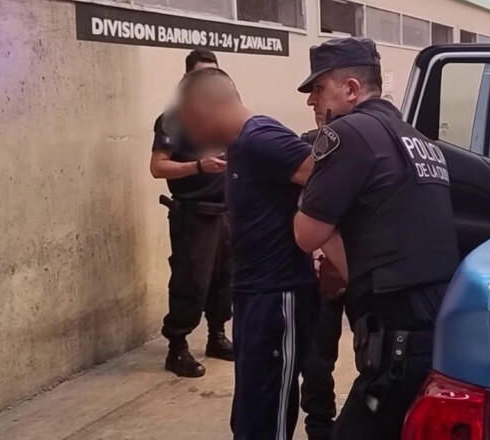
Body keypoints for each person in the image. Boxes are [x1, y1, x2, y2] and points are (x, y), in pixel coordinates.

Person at [293, 37, 461, 439]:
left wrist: (305, 197)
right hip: (438, 322)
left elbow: (306, 233)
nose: (312, 100)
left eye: (319, 88)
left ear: (351, 89)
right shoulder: (419, 141)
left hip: (398, 335)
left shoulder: (348, 132)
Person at [175, 67, 335, 440]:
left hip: (278, 294)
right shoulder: (239, 146)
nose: (193, 135)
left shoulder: (261, 139)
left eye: (192, 122)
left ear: (207, 107)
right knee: (250, 415)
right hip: (252, 294)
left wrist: (327, 249)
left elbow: (329, 180)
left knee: (267, 413)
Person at [149, 49, 233, 378]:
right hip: (193, 214)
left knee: (224, 281)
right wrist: (198, 166)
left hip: (227, 212)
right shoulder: (174, 119)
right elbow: (158, 167)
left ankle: (217, 336)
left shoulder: (225, 117)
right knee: (191, 282)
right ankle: (177, 346)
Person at [299, 127, 350, 440]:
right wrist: (323, 258)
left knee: (375, 355)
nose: (315, 105)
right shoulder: (306, 145)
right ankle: (319, 427)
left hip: (361, 269)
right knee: (317, 359)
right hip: (319, 274)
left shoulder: (359, 148)